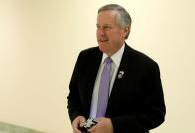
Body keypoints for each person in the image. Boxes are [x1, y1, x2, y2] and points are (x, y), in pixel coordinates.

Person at [67, 4, 166, 133]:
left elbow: (156, 114)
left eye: (107, 27)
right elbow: (73, 97)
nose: (100, 33)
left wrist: (114, 125)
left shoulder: (146, 67)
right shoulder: (85, 58)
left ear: (125, 30)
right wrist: (76, 116)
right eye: (98, 27)